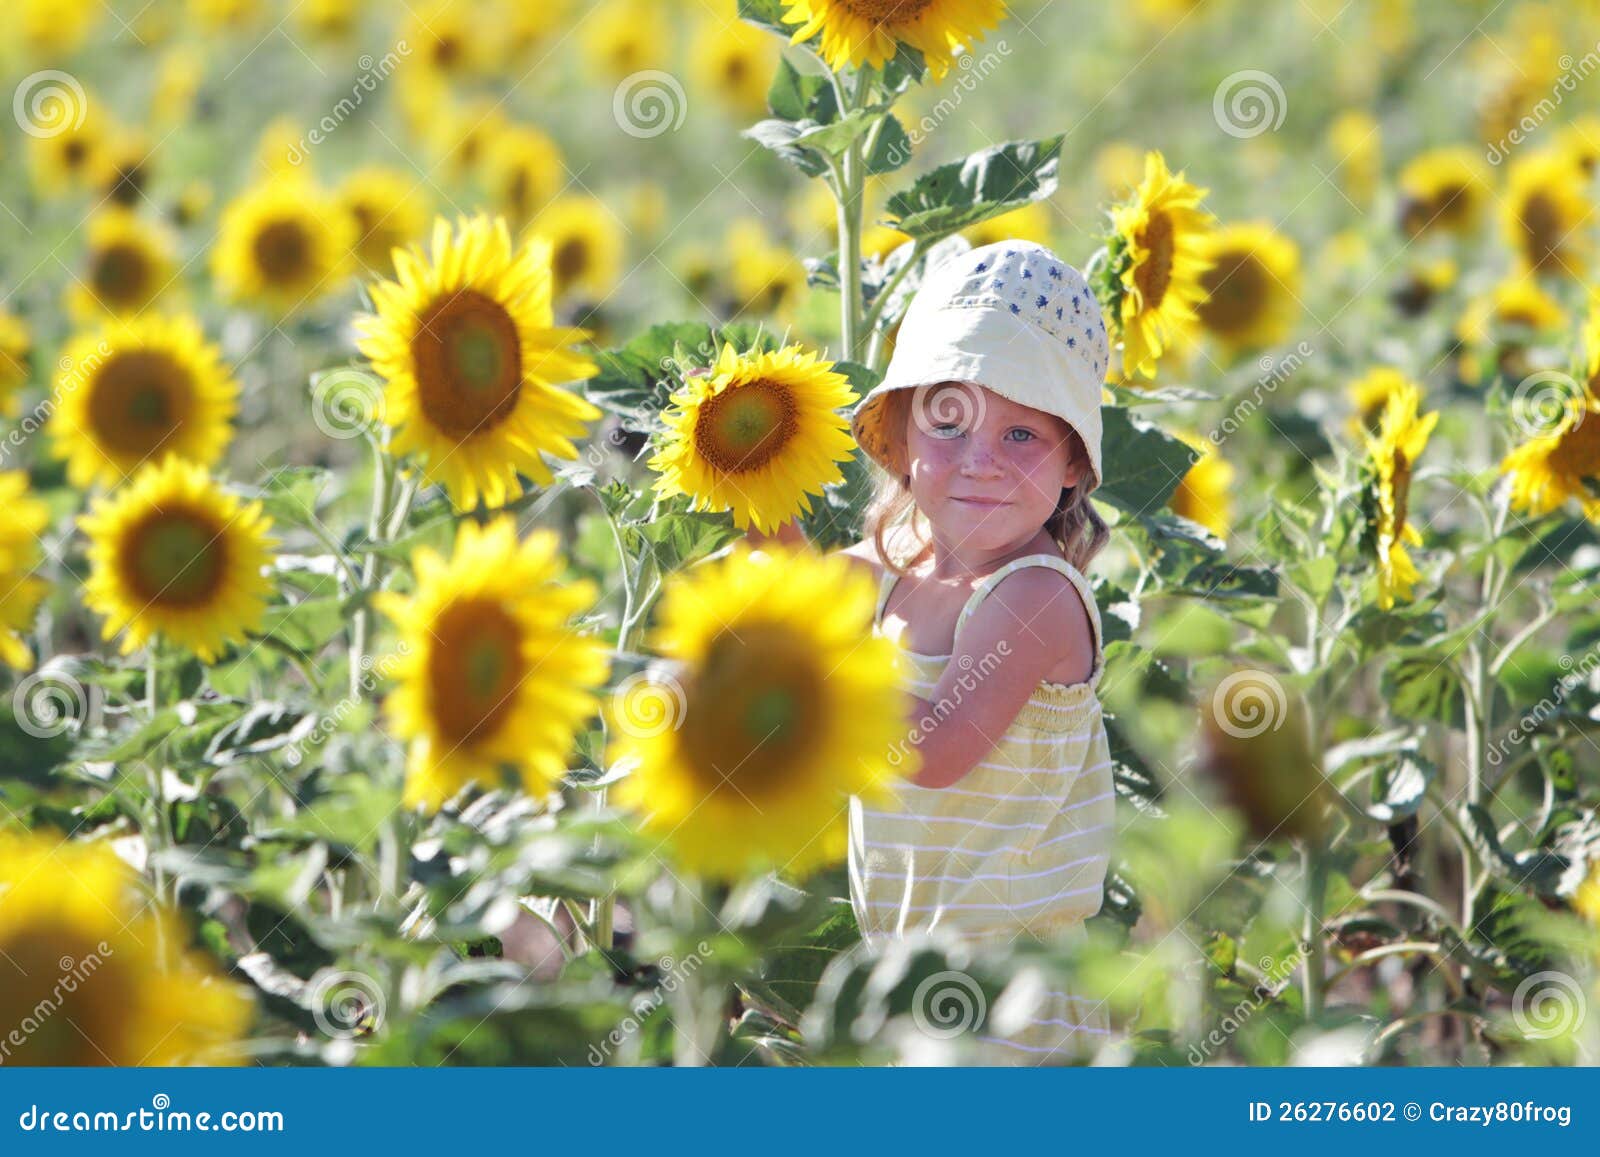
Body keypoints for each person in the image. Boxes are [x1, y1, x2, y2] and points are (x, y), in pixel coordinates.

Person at [751, 239, 1118, 1064]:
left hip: (1015, 996)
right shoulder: (895, 570)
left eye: (1021, 433)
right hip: (903, 971)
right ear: (902, 436)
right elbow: (792, 592)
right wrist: (754, 487)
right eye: (950, 422)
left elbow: (936, 747)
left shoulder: (1035, 597)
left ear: (1071, 465)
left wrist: (811, 674)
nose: (980, 461)